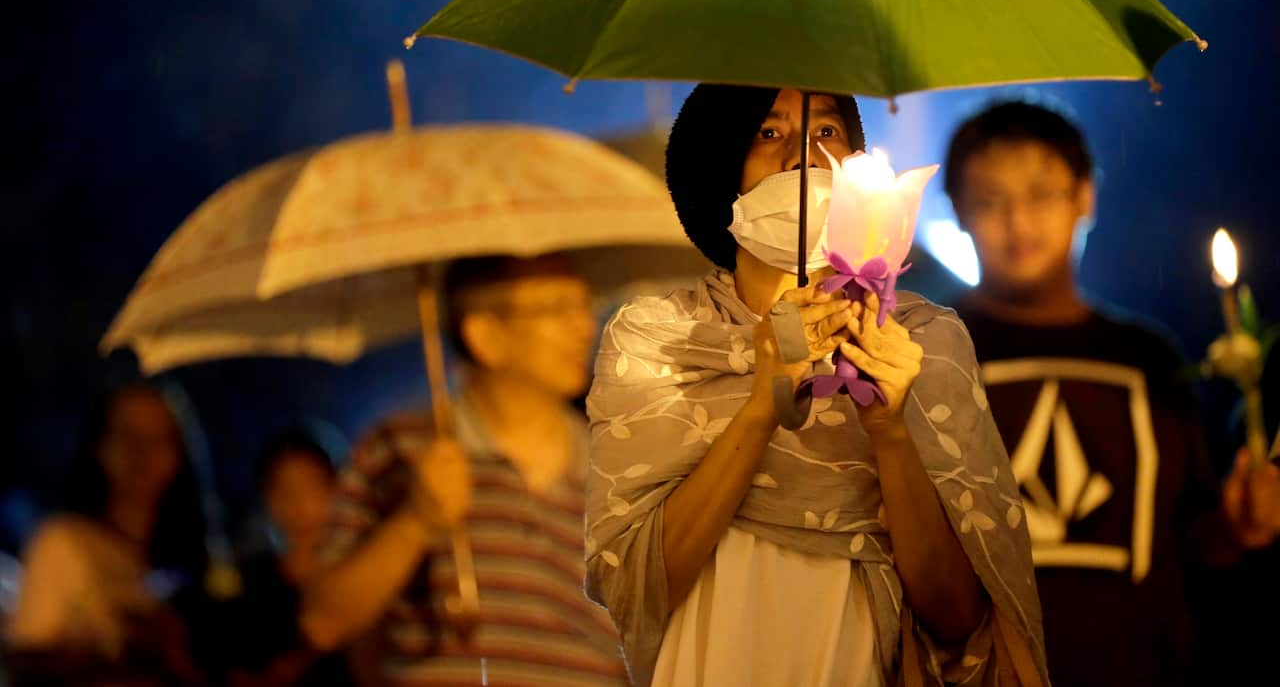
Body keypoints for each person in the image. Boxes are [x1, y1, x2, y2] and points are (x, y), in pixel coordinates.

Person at [586, 85, 1048, 687]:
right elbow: (638, 583)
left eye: (826, 133)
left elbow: (958, 619)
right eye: (769, 133)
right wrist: (761, 407)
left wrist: (888, 430)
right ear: (719, 163)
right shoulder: (660, 341)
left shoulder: (919, 343)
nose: (802, 157)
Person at [942, 98, 1280, 687]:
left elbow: (1191, 541)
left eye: (1041, 194)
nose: (1018, 222)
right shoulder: (931, 349)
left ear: (1085, 197)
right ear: (958, 211)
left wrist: (1241, 522)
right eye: (990, 199)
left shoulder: (1146, 357)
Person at [299, 254, 628, 685]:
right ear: (486, 336)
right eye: (557, 308)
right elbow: (323, 622)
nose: (586, 326)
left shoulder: (619, 466)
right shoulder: (402, 448)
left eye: (585, 305)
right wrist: (416, 522)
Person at [5, 382, 212, 685]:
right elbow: (26, 658)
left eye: (159, 439)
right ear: (99, 447)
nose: (142, 454)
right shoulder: (63, 543)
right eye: (127, 436)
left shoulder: (170, 566)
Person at [224, 426, 354, 687]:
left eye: (310, 487)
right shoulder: (252, 581)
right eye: (283, 490)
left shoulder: (357, 575)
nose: (298, 505)